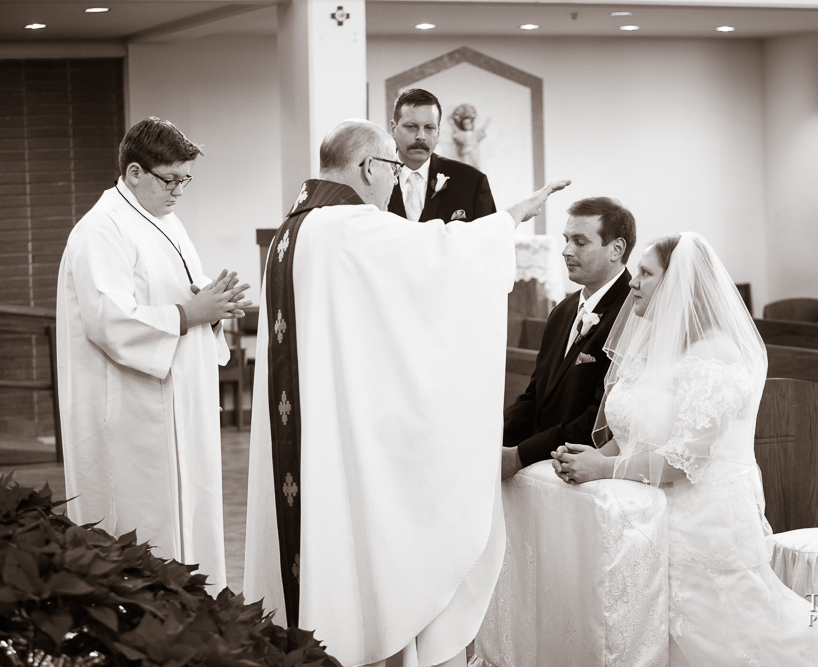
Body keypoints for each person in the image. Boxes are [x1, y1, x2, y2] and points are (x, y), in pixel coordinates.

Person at [242, 119, 568, 667]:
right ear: (370, 166)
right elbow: (440, 253)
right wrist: (511, 217)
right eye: (394, 167)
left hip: (305, 433)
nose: (396, 182)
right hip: (332, 432)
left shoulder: (292, 231)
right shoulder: (350, 226)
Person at [550, 233, 818, 665]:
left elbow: (684, 461)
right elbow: (631, 434)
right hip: (649, 514)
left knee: (728, 638)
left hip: (703, 523)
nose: (633, 283)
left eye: (645, 273)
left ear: (679, 285)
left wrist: (603, 471)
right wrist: (588, 457)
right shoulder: (653, 352)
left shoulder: (714, 354)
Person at [56, 116, 251, 591]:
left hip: (176, 408)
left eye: (185, 180)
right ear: (135, 173)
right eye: (170, 180)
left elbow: (179, 291)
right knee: (141, 533)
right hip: (131, 415)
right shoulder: (101, 230)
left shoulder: (162, 219)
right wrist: (189, 314)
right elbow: (110, 320)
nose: (179, 191)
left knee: (187, 528)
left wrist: (215, 302)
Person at [500, 197, 635, 480]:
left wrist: (520, 456)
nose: (566, 251)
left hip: (580, 468)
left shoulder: (633, 313)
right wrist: (491, 437)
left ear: (616, 249)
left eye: (580, 242)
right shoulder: (562, 310)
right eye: (566, 239)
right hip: (542, 460)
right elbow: (535, 395)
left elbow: (601, 418)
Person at [388, 88, 496, 223]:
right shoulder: (371, 178)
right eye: (411, 126)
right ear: (393, 129)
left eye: (429, 128)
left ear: (438, 132)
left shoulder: (472, 182)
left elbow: (489, 239)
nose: (420, 136)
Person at [449, 102, 489, 169]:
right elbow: (456, 131)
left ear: (471, 124)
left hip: (474, 151)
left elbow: (482, 129)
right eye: (465, 124)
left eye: (468, 123)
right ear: (462, 125)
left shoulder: (475, 133)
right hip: (466, 151)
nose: (467, 125)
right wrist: (452, 123)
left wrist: (487, 122)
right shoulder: (462, 134)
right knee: (467, 166)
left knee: (476, 166)